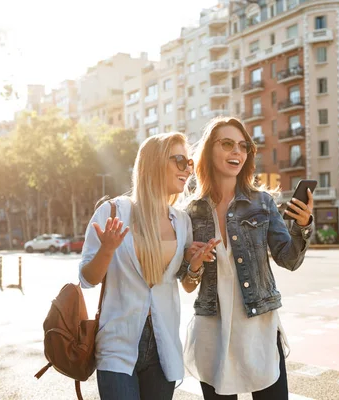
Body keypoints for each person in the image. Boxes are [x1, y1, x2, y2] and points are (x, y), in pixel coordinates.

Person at [178, 117, 314, 400]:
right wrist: (194, 265)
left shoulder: (261, 203)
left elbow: (289, 260)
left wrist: (301, 227)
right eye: (227, 144)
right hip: (212, 331)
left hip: (259, 327)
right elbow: (188, 284)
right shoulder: (191, 212)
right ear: (208, 150)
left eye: (243, 146)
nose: (237, 152)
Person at [79, 132, 217, 400]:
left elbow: (187, 285)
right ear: (153, 163)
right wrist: (107, 250)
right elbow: (87, 279)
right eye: (179, 161)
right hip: (117, 345)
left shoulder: (182, 221)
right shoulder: (113, 212)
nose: (187, 170)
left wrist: (195, 265)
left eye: (189, 163)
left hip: (163, 347)